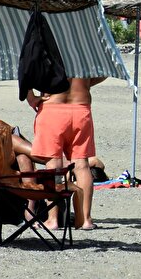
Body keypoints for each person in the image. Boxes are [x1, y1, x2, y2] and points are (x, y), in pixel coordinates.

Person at [26, 76, 106, 230]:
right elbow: (105, 68)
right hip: (81, 107)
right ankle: (85, 220)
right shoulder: (84, 52)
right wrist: (87, 82)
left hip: (52, 108)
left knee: (53, 164)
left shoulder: (48, 51)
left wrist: (30, 97)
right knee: (82, 165)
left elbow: (27, 71)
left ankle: (53, 219)